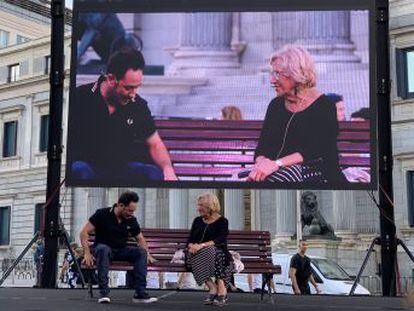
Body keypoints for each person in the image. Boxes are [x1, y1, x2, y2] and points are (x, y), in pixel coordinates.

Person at [68, 48, 177, 184]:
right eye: (128, 88)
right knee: (79, 170)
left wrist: (168, 169)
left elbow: (155, 143)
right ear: (111, 79)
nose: (133, 94)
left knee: (152, 173)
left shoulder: (138, 105)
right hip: (87, 167)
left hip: (121, 170)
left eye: (137, 87)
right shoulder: (80, 97)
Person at [248, 44, 346, 184]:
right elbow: (262, 148)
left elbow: (314, 150)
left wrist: (277, 164)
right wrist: (263, 164)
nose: (272, 80)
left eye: (277, 73)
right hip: (277, 173)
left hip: (316, 174)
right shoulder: (275, 105)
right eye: (272, 73)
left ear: (296, 74)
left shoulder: (324, 106)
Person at [80, 191, 157, 304]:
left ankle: (140, 294)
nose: (131, 213)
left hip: (121, 250)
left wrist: (147, 254)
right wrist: (87, 252)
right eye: (129, 210)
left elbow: (140, 239)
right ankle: (104, 293)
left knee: (141, 252)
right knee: (103, 249)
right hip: (103, 249)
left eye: (133, 211)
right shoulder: (102, 214)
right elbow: (84, 232)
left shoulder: (131, 219)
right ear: (120, 205)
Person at [186, 193, 234, 307]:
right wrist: (192, 246)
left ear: (210, 206)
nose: (198, 208)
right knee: (202, 254)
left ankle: (220, 287)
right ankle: (214, 287)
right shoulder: (197, 221)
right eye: (198, 205)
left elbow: (220, 239)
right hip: (195, 254)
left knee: (215, 252)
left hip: (216, 253)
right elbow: (190, 240)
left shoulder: (223, 221)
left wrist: (201, 245)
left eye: (201, 205)